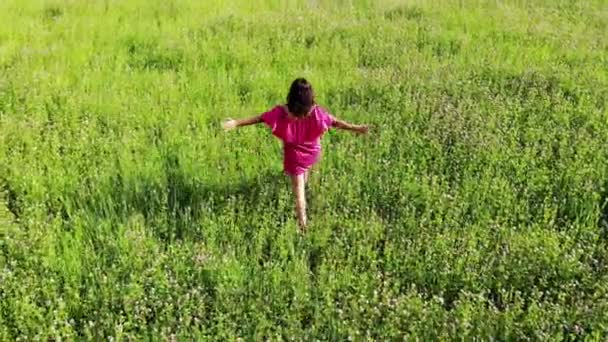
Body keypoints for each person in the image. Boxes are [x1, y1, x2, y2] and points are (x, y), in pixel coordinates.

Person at [222, 78, 368, 231]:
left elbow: (260, 118)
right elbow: (335, 122)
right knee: (304, 179)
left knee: (299, 191)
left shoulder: (282, 112)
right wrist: (357, 128)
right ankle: (306, 197)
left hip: (295, 157)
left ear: (290, 95)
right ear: (310, 97)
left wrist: (237, 123)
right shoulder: (315, 112)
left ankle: (303, 225)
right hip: (312, 151)